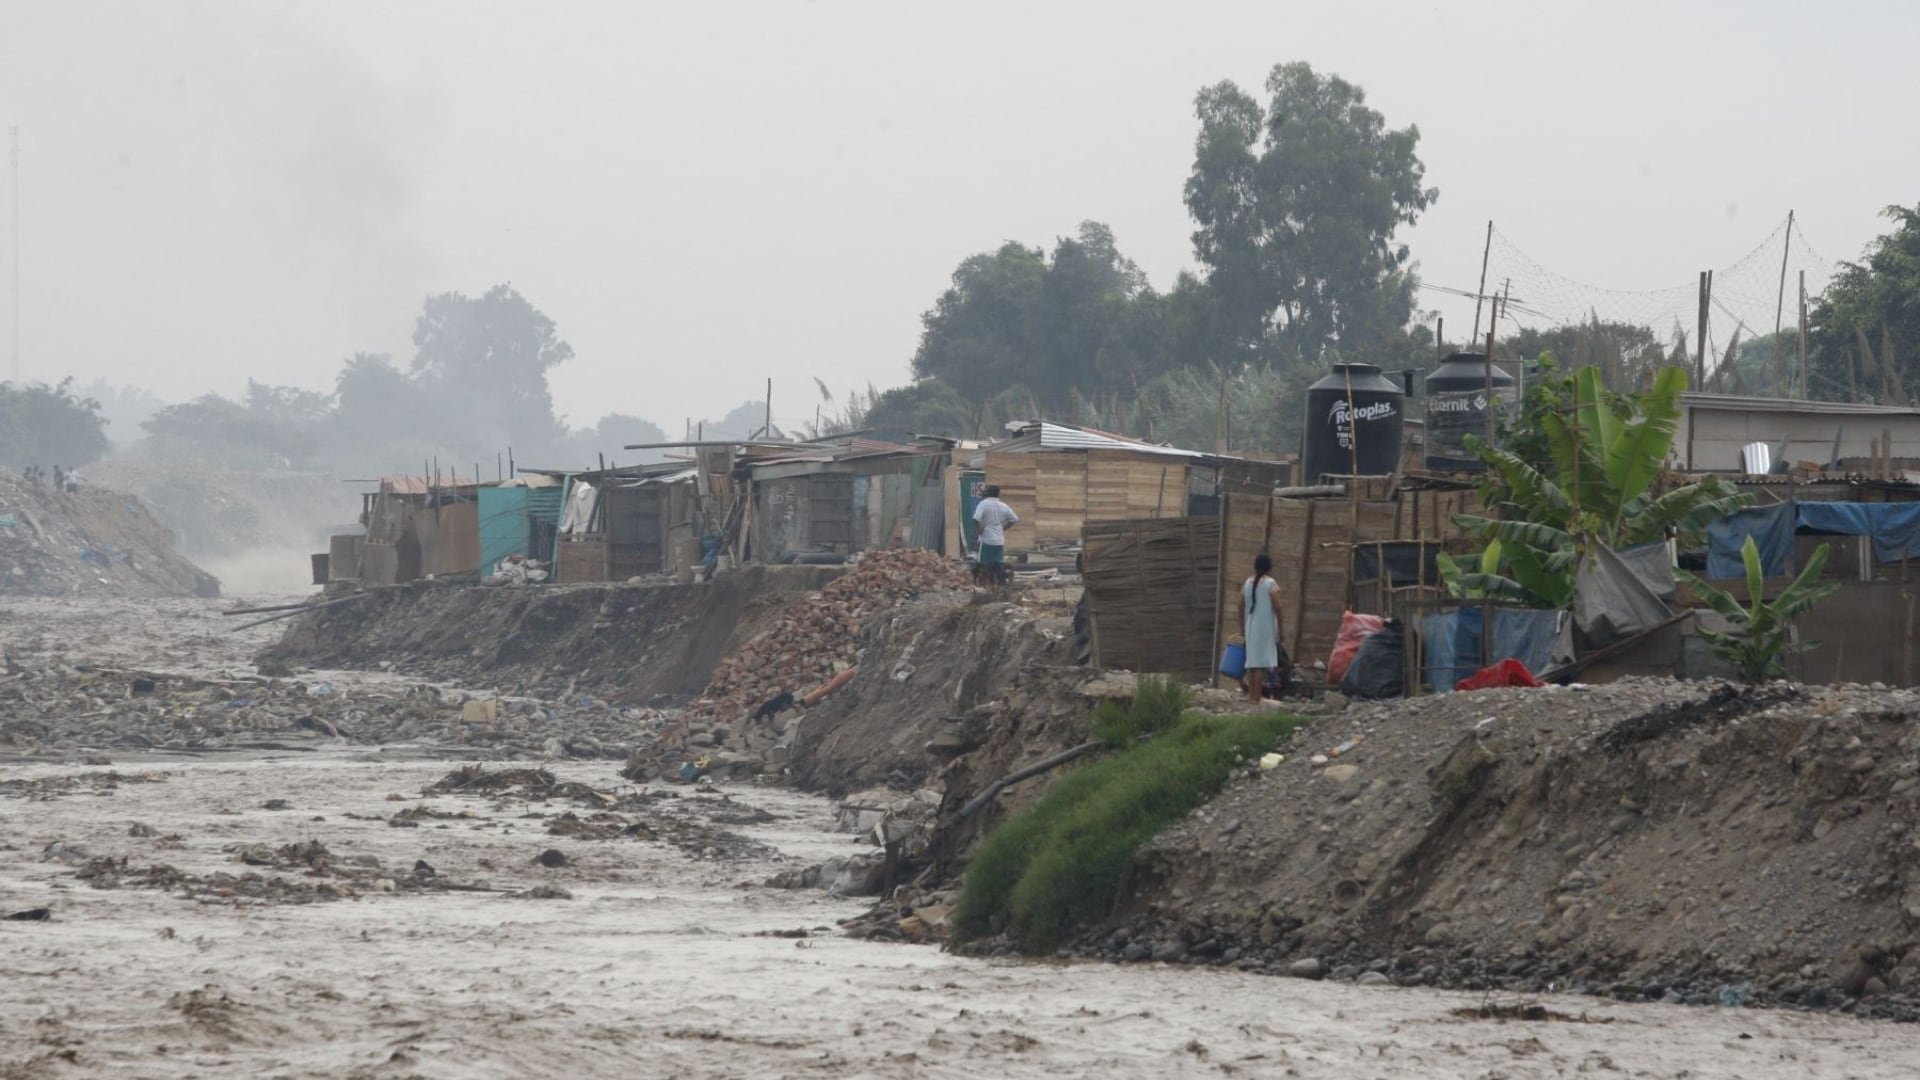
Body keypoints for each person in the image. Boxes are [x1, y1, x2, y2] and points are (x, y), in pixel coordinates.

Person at [1239, 553, 1282, 702]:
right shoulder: (1270, 583)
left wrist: (1242, 628)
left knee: (1252, 663)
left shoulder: (1247, 583)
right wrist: (1281, 627)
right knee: (1261, 664)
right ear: (1269, 567)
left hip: (1250, 626)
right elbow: (1277, 606)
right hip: (1265, 627)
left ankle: (1252, 696)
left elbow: (1240, 605)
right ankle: (1257, 698)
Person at [971, 485, 1019, 586]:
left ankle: (984, 585)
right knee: (998, 563)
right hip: (999, 540)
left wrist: (979, 531)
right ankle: (1002, 585)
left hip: (987, 539)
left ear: (988, 493)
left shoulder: (983, 504)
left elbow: (976, 519)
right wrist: (1003, 528)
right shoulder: (1003, 505)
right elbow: (1014, 519)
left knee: (983, 564)